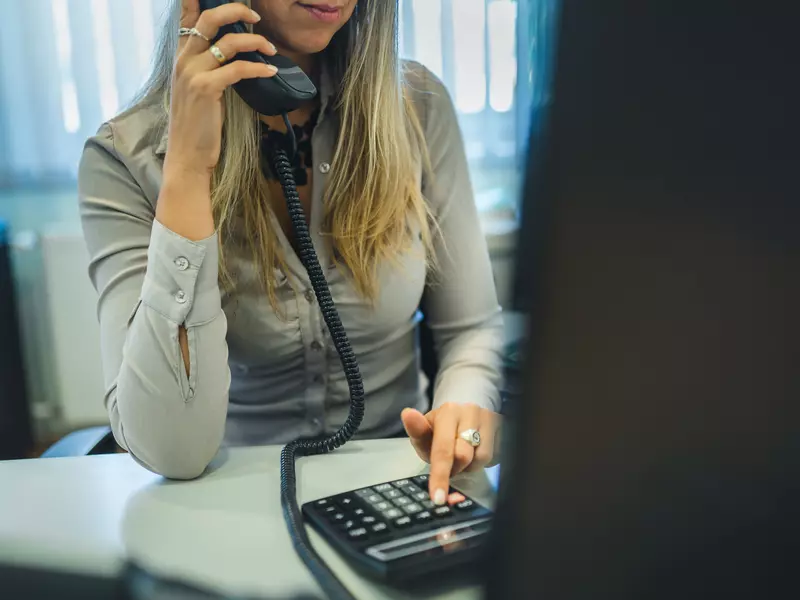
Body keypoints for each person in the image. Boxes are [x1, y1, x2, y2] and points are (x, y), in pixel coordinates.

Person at [78, 0, 503, 506]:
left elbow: (469, 330)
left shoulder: (418, 106)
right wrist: (188, 172)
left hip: (401, 483)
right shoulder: (125, 158)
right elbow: (173, 452)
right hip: (229, 495)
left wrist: (463, 413)